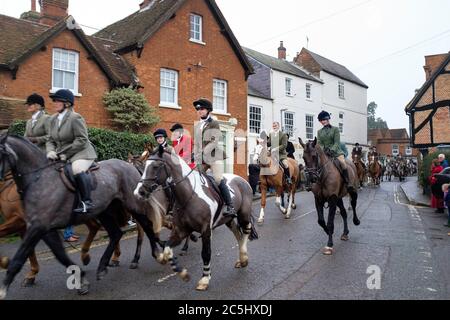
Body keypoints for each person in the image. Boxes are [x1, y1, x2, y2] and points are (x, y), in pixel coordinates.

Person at [46, 89, 97, 214]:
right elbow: (50, 139)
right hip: (62, 154)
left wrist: (65, 154)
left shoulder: (75, 118)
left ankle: (87, 202)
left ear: (67, 104)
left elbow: (82, 140)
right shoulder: (52, 119)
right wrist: (50, 151)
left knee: (77, 169)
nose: (54, 103)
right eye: (54, 100)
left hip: (82, 152)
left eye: (57, 101)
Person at [193, 98, 235, 217]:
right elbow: (196, 143)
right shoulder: (198, 125)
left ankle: (230, 205)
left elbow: (214, 141)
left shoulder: (214, 123)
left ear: (208, 110)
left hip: (213, 156)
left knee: (217, 178)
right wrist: (194, 154)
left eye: (202, 109)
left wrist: (202, 153)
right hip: (201, 158)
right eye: (198, 109)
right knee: (194, 178)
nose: (199, 111)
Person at [316, 110, 352, 192]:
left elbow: (337, 142)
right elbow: (320, 143)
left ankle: (347, 181)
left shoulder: (335, 129)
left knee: (342, 162)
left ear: (328, 119)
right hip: (325, 153)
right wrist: (323, 149)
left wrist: (331, 150)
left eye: (324, 120)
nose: (323, 122)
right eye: (321, 120)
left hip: (336, 152)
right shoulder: (319, 132)